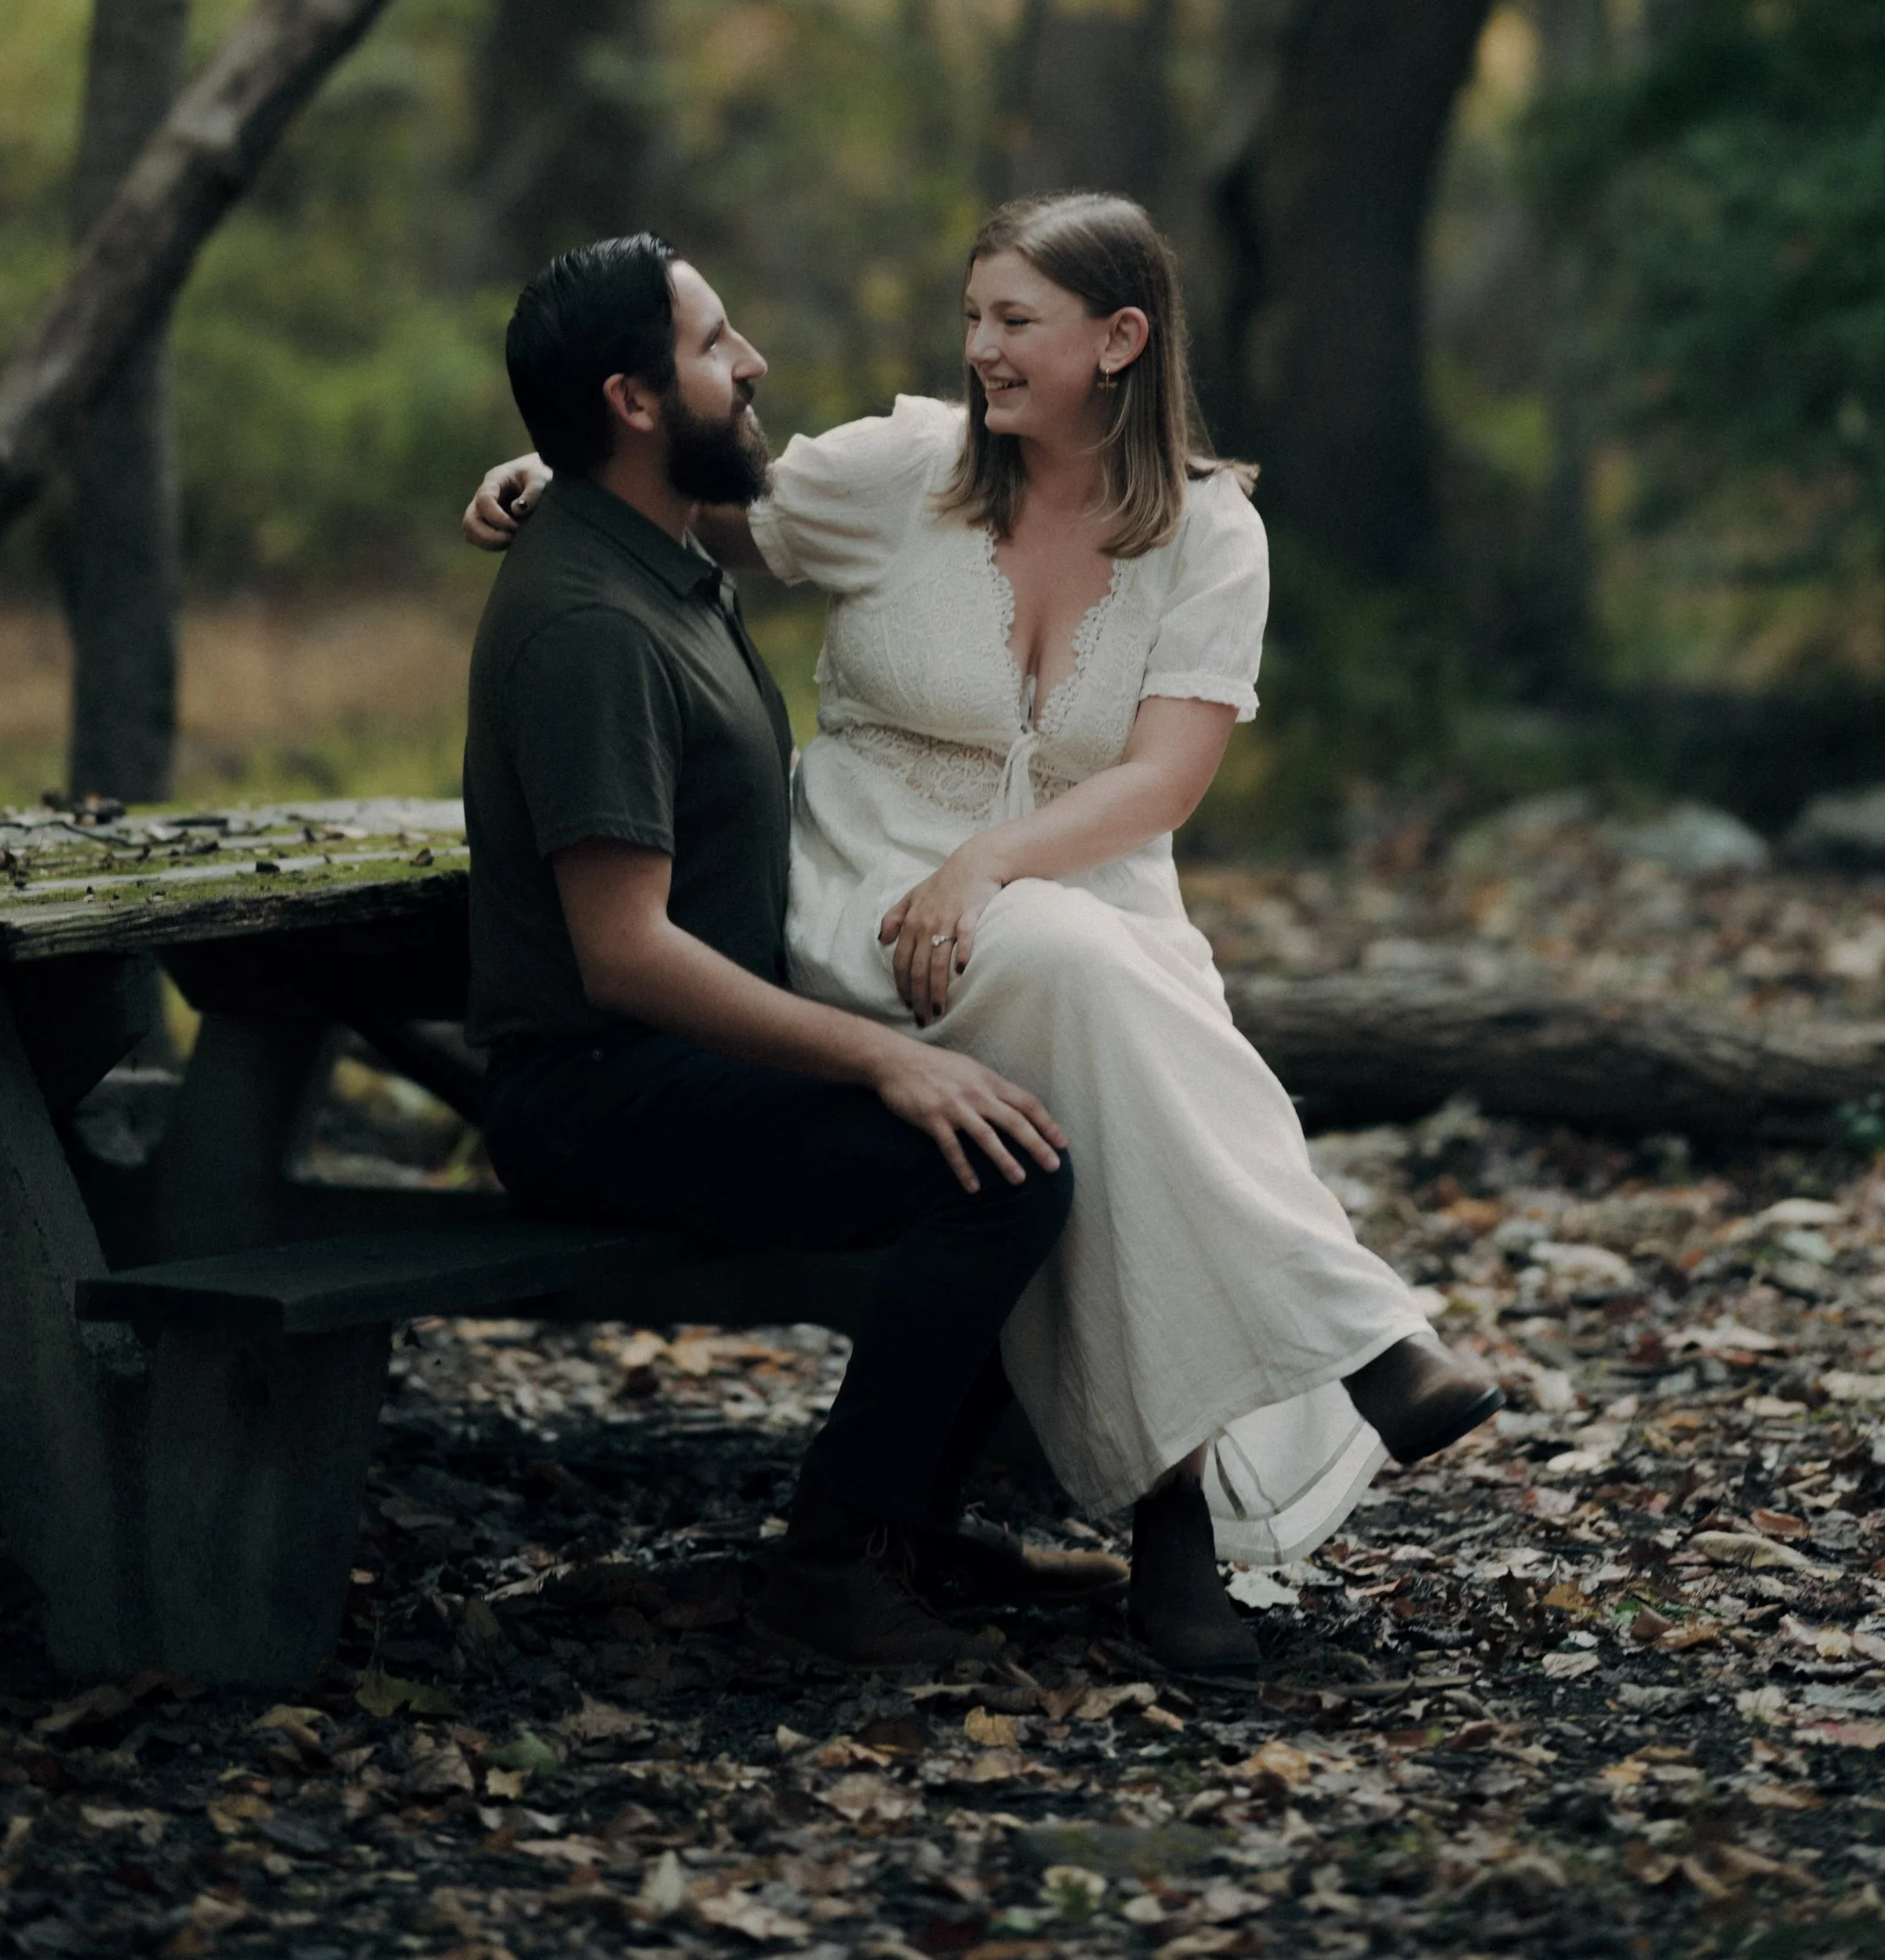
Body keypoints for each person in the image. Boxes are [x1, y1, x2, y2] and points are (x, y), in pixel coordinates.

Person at [466, 195, 1501, 1678]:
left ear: (1121, 338)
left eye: (1014, 321)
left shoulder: (1214, 530)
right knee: (1061, 1018)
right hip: (870, 902)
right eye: (974, 318)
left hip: (1091, 904)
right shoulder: (899, 473)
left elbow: (1165, 777)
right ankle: (1336, 1355)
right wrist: (538, 466)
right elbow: (680, 484)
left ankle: (1142, 1512)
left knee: (1077, 1030)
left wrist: (997, 863)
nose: (980, 351)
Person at [463, 231, 1132, 1676]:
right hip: (596, 1086)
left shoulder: (653, 558)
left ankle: (907, 1533)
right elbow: (623, 955)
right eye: (716, 346)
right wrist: (890, 1058)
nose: (755, 364)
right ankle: (832, 1566)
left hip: (667, 1059)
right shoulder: (590, 623)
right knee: (1004, 1171)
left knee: (1013, 1126)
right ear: (635, 402)